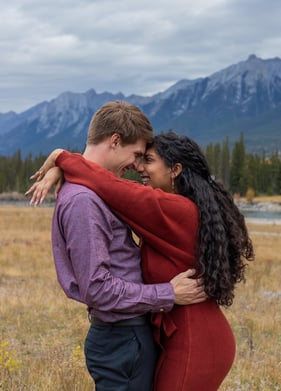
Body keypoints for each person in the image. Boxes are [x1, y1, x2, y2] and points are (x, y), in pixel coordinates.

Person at [27, 129, 254, 391]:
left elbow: (109, 186)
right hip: (184, 337)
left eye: (148, 160)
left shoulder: (174, 209)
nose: (139, 167)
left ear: (175, 169)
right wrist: (63, 167)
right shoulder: (173, 207)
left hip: (196, 343)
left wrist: (61, 158)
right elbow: (107, 185)